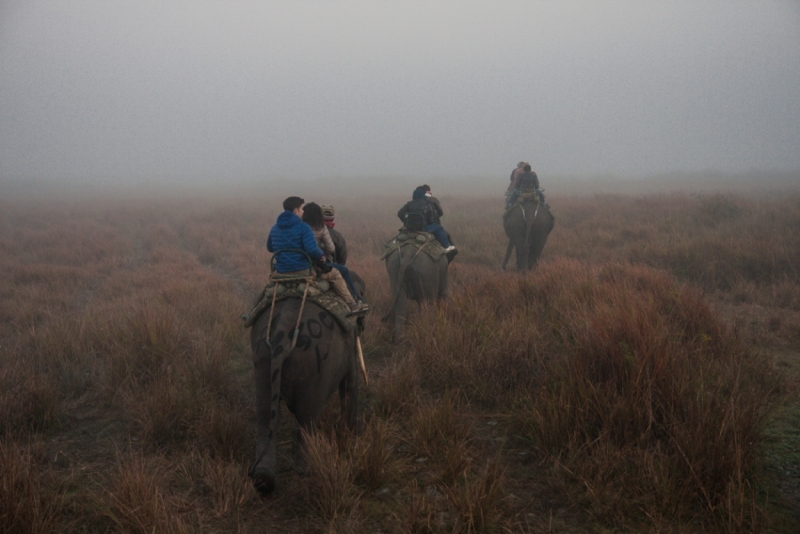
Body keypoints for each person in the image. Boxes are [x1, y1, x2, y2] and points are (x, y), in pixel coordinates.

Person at [267, 196, 367, 313]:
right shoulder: (303, 227)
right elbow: (311, 249)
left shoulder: (275, 228)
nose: (303, 212)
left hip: (281, 272)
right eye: (301, 209)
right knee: (335, 274)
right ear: (295, 210)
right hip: (303, 271)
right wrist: (321, 255)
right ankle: (353, 304)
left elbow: (270, 247)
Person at [301, 202, 362, 303]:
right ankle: (354, 299)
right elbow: (332, 250)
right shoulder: (324, 230)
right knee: (344, 271)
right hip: (317, 265)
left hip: (298, 264)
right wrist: (321, 254)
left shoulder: (299, 228)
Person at [397, 187, 456, 252]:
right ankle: (446, 246)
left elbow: (400, 213)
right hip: (423, 229)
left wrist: (406, 222)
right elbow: (432, 220)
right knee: (439, 228)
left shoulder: (409, 204)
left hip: (409, 229)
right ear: (423, 195)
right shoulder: (427, 203)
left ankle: (395, 242)